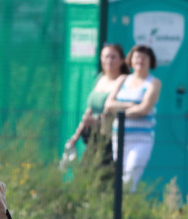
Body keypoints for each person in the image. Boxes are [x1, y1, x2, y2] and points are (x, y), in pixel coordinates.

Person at [104, 44, 161, 193]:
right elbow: (109, 104)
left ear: (150, 61)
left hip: (141, 138)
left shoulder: (153, 83)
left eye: (144, 57)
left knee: (130, 176)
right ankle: (120, 209)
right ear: (131, 59)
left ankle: (126, 208)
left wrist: (121, 110)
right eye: (137, 57)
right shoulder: (123, 79)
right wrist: (129, 105)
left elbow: (144, 108)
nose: (140, 61)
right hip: (119, 137)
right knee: (119, 177)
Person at [64, 43, 130, 171]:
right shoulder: (100, 78)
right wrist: (75, 136)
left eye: (113, 57)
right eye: (106, 57)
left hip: (111, 134)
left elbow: (114, 108)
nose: (109, 61)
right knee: (86, 170)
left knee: (105, 172)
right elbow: (90, 109)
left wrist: (98, 120)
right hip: (93, 135)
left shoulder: (123, 80)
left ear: (122, 60)